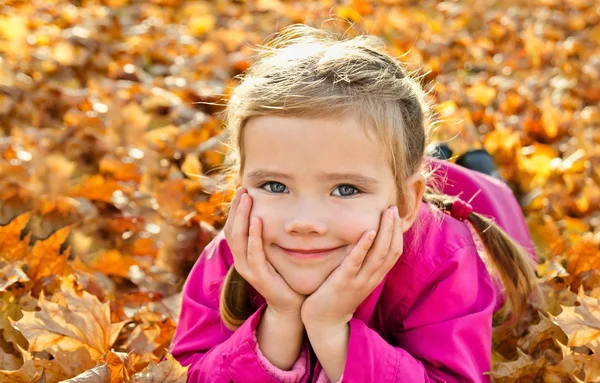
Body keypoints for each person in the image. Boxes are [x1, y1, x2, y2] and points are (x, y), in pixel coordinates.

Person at [170, 25, 539, 383]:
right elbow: (188, 374)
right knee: (395, 162)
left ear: (406, 204)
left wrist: (331, 329)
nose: (305, 222)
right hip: (397, 179)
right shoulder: (235, 253)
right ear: (240, 190)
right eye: (274, 185)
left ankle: (474, 165)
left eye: (345, 189)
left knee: (477, 177)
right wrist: (281, 319)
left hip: (486, 204)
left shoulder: (445, 257)